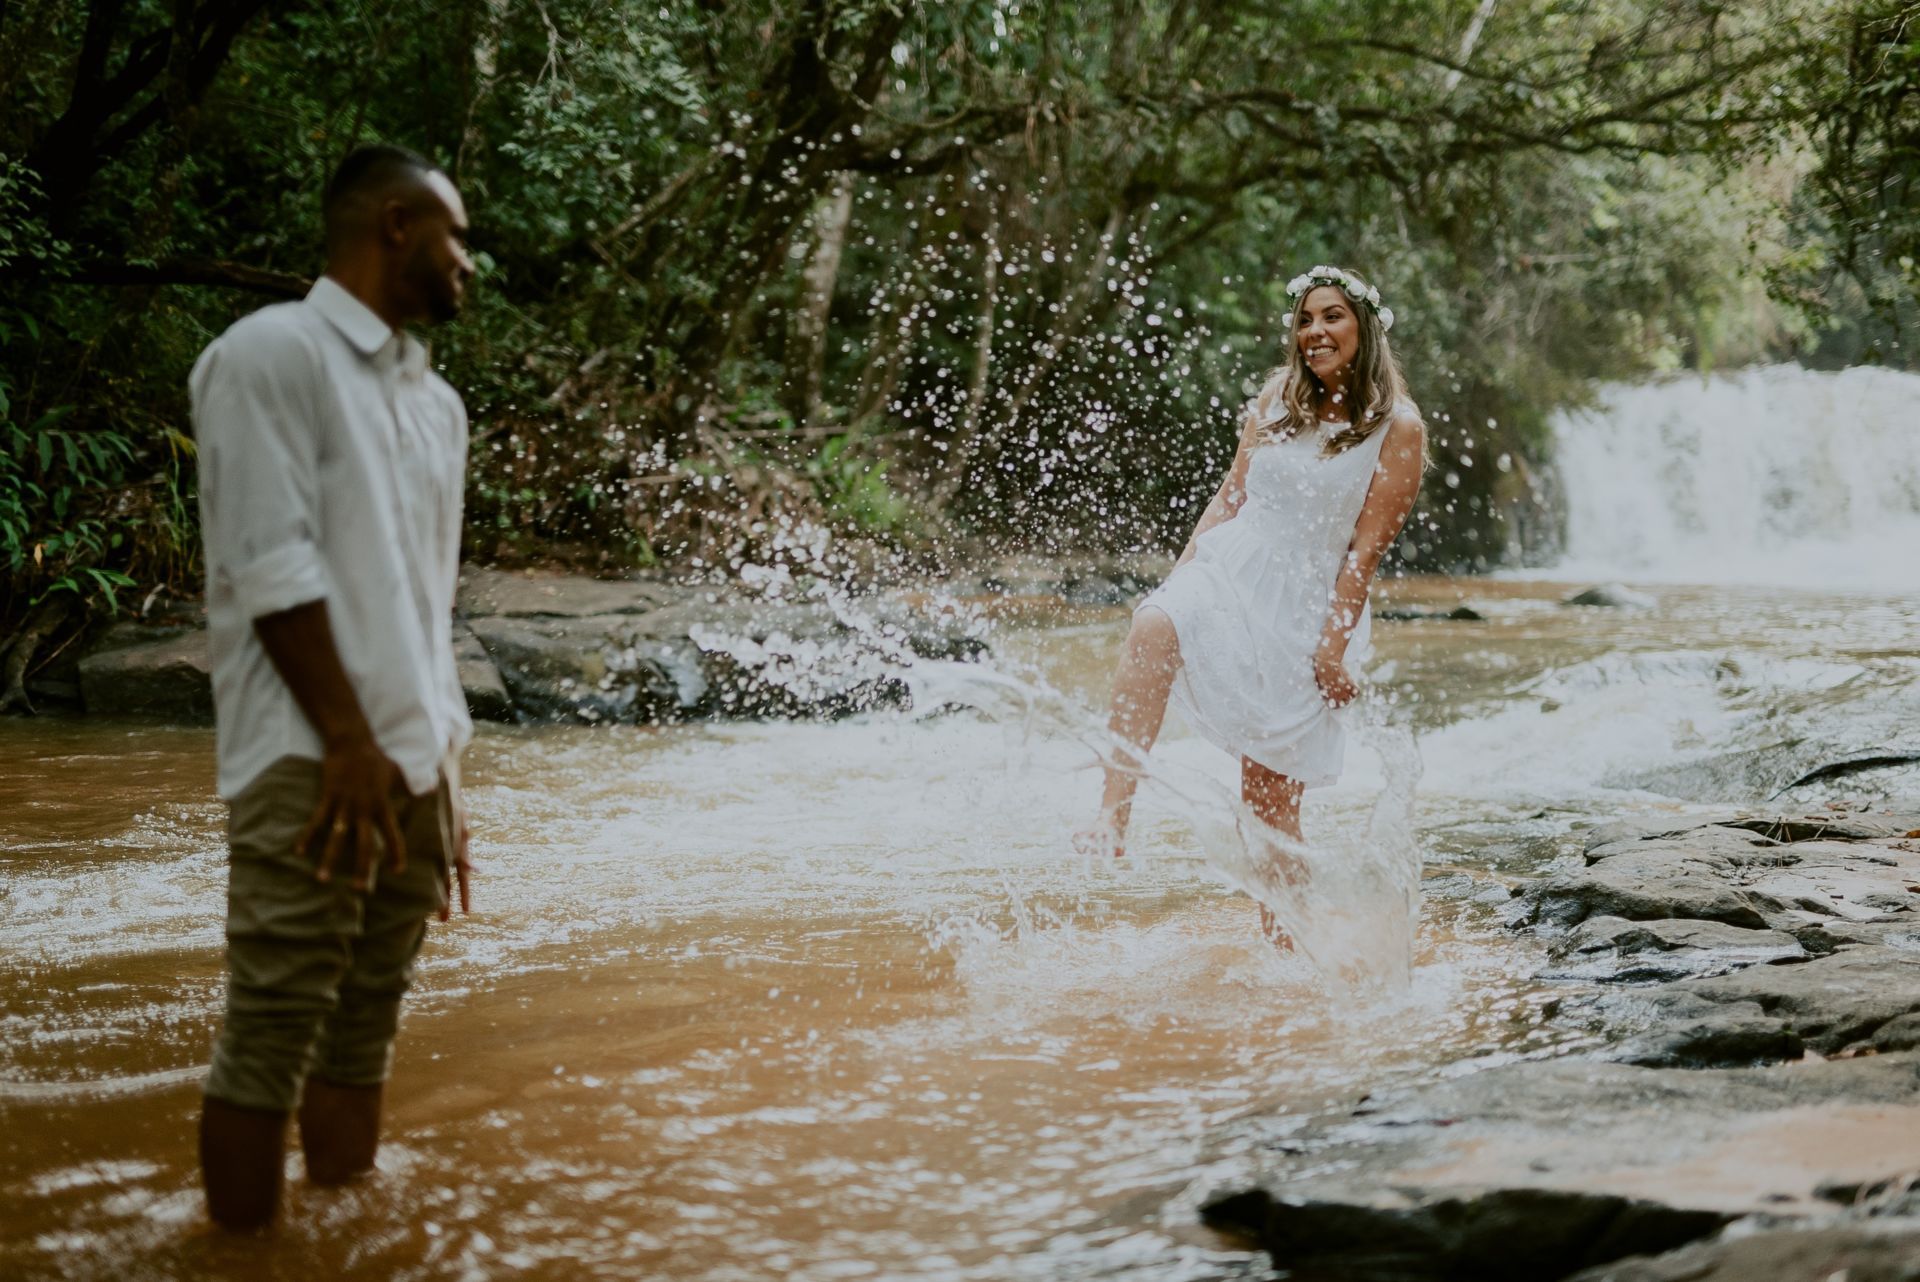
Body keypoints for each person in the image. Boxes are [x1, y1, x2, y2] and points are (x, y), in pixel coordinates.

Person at [189, 143, 477, 1231]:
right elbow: (271, 564)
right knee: (270, 1031)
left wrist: (443, 769)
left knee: (366, 1029)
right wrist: (350, 740)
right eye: (459, 236)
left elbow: (419, 608)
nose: (469, 263)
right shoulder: (272, 353)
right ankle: (241, 1259)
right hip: (311, 757)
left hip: (406, 756)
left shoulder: (434, 404)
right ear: (396, 225)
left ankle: (341, 1243)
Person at [1074, 265, 1425, 933]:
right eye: (1305, 319)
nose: (1314, 331)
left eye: (1332, 317)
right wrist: (1180, 574)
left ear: (1365, 328)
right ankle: (1113, 813)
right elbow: (1230, 496)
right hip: (1235, 565)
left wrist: (1332, 645)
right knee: (1154, 623)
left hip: (1308, 603)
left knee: (1267, 798)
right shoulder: (1276, 399)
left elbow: (1365, 551)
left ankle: (1287, 949)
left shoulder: (1397, 427)